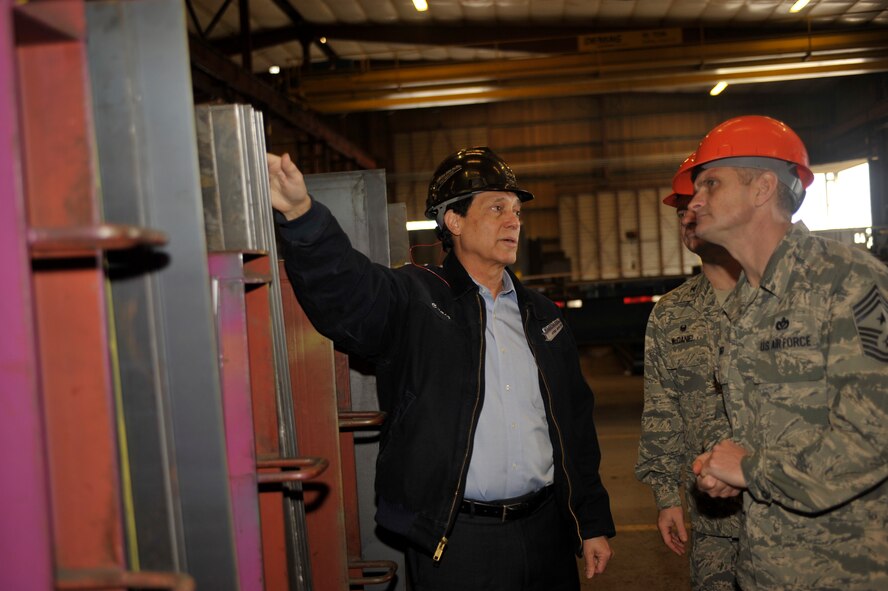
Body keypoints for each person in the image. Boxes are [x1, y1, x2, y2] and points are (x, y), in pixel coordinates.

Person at [267, 146, 615, 590]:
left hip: (547, 532)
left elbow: (575, 425)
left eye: (516, 210)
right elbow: (349, 292)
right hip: (458, 540)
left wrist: (590, 520)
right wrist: (302, 215)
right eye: (497, 208)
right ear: (454, 221)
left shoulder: (543, 316)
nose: (514, 221)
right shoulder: (418, 299)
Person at [683, 115, 888, 590]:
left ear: (762, 188)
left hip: (845, 570)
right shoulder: (746, 302)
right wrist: (730, 470)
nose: (694, 201)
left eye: (711, 183)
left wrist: (750, 469)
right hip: (766, 569)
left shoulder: (848, 281)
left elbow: (874, 436)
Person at [635, 155, 742, 591]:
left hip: (787, 514)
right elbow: (663, 410)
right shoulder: (671, 313)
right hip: (713, 520)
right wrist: (666, 497)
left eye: (697, 206)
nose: (688, 218)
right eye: (681, 212)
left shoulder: (777, 297)